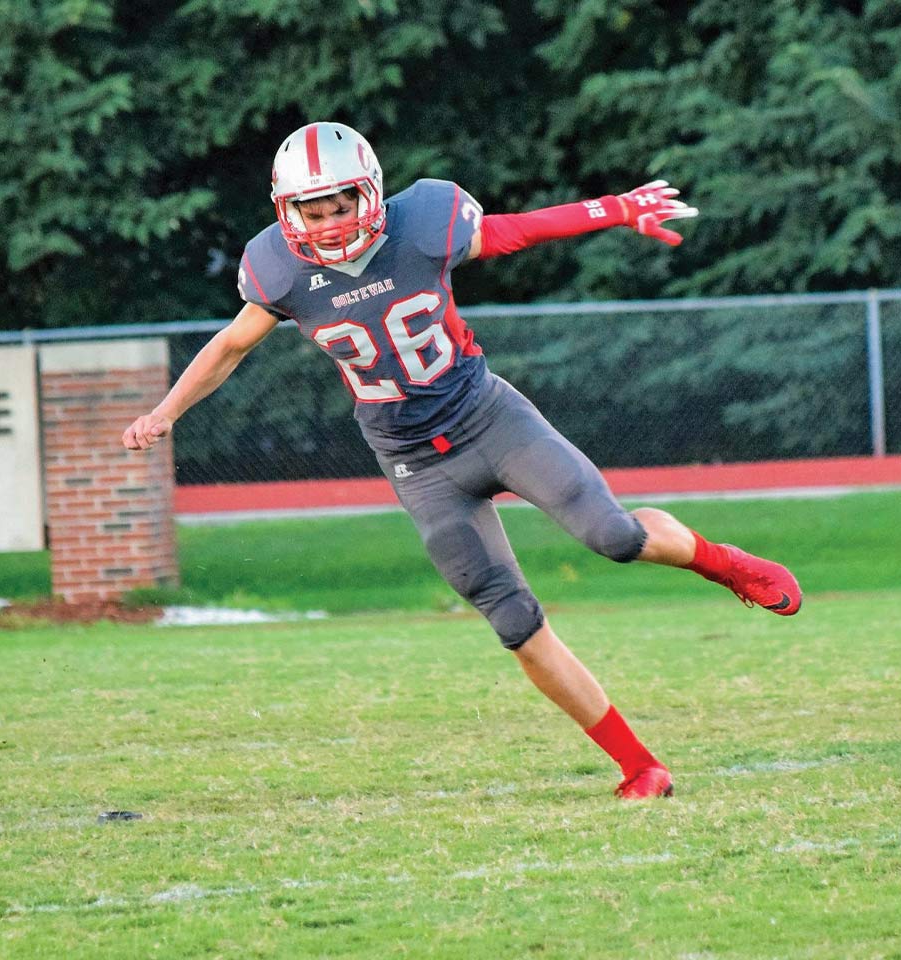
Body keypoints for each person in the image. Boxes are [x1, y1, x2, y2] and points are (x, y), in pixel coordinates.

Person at [122, 122, 801, 800]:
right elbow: (230, 346)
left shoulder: (422, 224)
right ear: (285, 208)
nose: (329, 224)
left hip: (488, 417)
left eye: (342, 205)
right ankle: (639, 766)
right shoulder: (276, 269)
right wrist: (166, 412)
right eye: (313, 209)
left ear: (372, 195)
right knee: (512, 620)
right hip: (415, 462)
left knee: (614, 536)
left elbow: (517, 231)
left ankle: (726, 564)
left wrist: (616, 208)